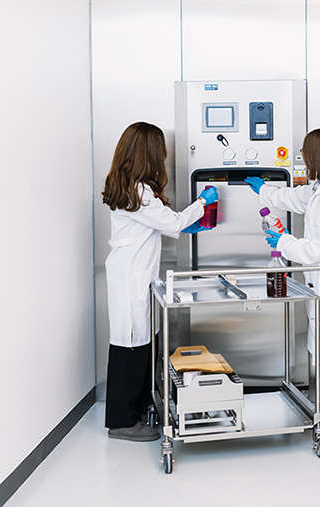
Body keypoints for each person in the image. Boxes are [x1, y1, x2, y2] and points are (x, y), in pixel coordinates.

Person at [245, 127, 320, 451]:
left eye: (305, 153)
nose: (302, 158)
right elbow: (297, 199)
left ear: (319, 157)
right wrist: (265, 191)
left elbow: (317, 250)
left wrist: (283, 242)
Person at [102, 122, 218, 441]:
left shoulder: (136, 188)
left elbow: (164, 225)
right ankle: (121, 421)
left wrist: (183, 225)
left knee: (142, 344)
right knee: (129, 346)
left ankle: (137, 411)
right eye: (161, 151)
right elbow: (173, 221)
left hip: (137, 278)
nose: (164, 157)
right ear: (150, 154)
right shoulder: (138, 191)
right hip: (130, 281)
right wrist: (202, 204)